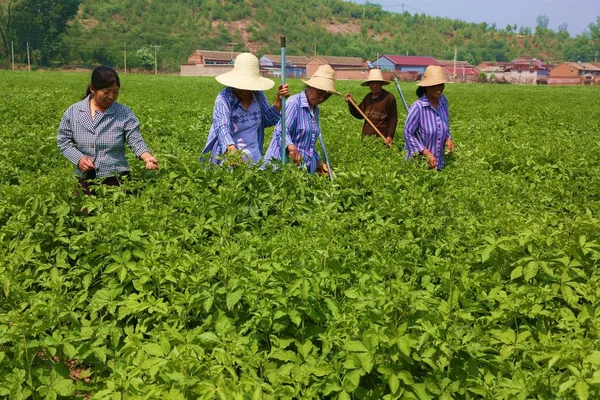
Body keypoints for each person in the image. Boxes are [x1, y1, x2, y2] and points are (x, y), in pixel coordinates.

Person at [57, 66, 159, 195]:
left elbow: (135, 139)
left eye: (115, 92)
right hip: (84, 178)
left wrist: (147, 157)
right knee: (82, 212)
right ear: (92, 89)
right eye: (106, 92)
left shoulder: (123, 113)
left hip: (116, 178)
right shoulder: (74, 112)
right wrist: (79, 159)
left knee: (117, 212)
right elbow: (63, 141)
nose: (111, 96)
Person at [201, 52, 289, 164]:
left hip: (254, 160)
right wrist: (232, 150)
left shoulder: (258, 95)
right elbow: (222, 127)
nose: (245, 90)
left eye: (249, 86)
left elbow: (267, 120)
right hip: (229, 161)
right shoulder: (224, 98)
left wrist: (278, 102)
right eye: (241, 86)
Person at [264, 64, 339, 175]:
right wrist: (291, 147)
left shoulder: (315, 109)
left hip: (298, 171)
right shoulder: (294, 103)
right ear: (311, 87)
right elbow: (281, 130)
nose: (321, 98)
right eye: (320, 93)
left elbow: (309, 143)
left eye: (326, 96)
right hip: (279, 168)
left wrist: (318, 163)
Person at [404, 65, 455, 170]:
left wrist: (448, 139)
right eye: (435, 85)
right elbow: (408, 133)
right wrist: (426, 153)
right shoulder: (418, 107)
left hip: (439, 164)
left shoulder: (443, 102)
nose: (439, 88)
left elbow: (445, 125)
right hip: (420, 165)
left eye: (441, 84)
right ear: (426, 86)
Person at [344, 68, 398, 145]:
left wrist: (390, 135)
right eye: (372, 83)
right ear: (369, 85)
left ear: (381, 84)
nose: (374, 86)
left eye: (377, 83)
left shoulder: (389, 98)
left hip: (381, 138)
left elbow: (393, 119)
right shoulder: (368, 97)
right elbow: (359, 114)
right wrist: (351, 103)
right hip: (366, 138)